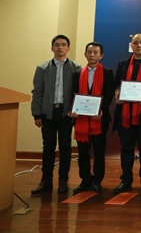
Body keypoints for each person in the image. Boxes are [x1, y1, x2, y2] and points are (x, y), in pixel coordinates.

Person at [31, 35, 81, 194]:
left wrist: (76, 110)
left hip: (66, 113)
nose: (60, 47)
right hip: (48, 113)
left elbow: (78, 93)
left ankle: (63, 180)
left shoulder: (76, 68)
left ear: (68, 48)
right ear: (52, 48)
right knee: (48, 147)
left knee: (65, 147)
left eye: (63, 44)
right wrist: (36, 114)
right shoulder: (42, 68)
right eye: (57, 45)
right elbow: (37, 92)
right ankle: (46, 180)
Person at [112, 33, 141, 194]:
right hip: (125, 113)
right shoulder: (123, 63)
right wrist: (117, 92)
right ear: (131, 45)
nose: (139, 45)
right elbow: (117, 83)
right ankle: (126, 180)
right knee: (126, 148)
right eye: (136, 42)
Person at [71, 42, 114, 194]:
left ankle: (97, 180)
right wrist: (73, 109)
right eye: (89, 52)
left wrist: (101, 109)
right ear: (85, 54)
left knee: (98, 151)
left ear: (101, 55)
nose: (92, 55)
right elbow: (73, 94)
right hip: (81, 119)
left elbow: (108, 94)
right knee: (83, 151)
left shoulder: (107, 72)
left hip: (99, 118)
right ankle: (85, 179)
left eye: (95, 52)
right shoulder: (77, 73)